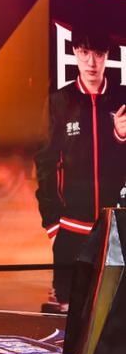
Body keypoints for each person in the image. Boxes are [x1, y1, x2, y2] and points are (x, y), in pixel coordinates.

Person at [35, 24, 126, 313]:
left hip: (114, 226)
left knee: (111, 313)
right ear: (74, 52)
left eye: (98, 54)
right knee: (67, 311)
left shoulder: (121, 100)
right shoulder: (59, 102)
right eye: (85, 52)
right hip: (71, 227)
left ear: (107, 56)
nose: (91, 62)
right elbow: (45, 162)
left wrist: (120, 137)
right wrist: (52, 222)